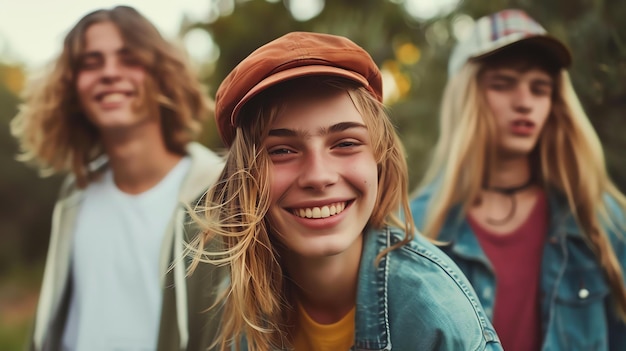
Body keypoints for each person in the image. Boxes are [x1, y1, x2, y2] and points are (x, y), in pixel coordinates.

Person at [186, 31, 503, 350]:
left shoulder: (438, 319)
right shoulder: (238, 299)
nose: (318, 176)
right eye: (282, 150)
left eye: (346, 143)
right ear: (245, 175)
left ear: (381, 159)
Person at [11, 6, 226, 351]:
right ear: (72, 86)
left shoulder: (220, 193)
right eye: (91, 62)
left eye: (130, 58)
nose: (109, 73)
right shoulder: (74, 197)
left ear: (162, 75)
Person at [410, 8, 626, 351]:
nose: (525, 103)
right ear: (467, 97)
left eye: (540, 89)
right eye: (503, 84)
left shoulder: (600, 221)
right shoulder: (416, 230)